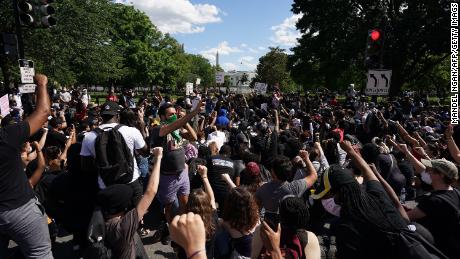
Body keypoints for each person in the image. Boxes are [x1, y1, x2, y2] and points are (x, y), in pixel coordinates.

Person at [0, 74, 54, 259]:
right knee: (40, 254)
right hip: (20, 210)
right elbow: (44, 112)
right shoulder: (6, 138)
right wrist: (41, 84)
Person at [149, 100, 203, 242]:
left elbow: (194, 137)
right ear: (162, 116)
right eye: (170, 114)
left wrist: (185, 122)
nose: (174, 116)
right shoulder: (158, 129)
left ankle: (183, 227)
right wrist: (193, 113)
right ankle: (171, 230)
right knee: (170, 207)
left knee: (184, 203)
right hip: (168, 177)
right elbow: (172, 126)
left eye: (175, 114)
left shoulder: (177, 129)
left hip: (182, 174)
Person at [97, 147, 163, 259]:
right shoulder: (123, 227)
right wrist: (158, 158)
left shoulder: (103, 217)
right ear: (123, 206)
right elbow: (150, 192)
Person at [80, 101, 148, 203]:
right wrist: (142, 128)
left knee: (111, 217)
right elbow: (145, 152)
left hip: (105, 185)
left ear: (101, 116)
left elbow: (86, 166)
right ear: (118, 115)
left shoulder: (88, 137)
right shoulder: (131, 131)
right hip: (131, 181)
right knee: (135, 216)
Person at [406, 158, 460, 259]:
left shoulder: (434, 201)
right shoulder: (456, 192)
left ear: (441, 175)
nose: (427, 172)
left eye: (430, 170)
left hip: (437, 250)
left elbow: (405, 217)